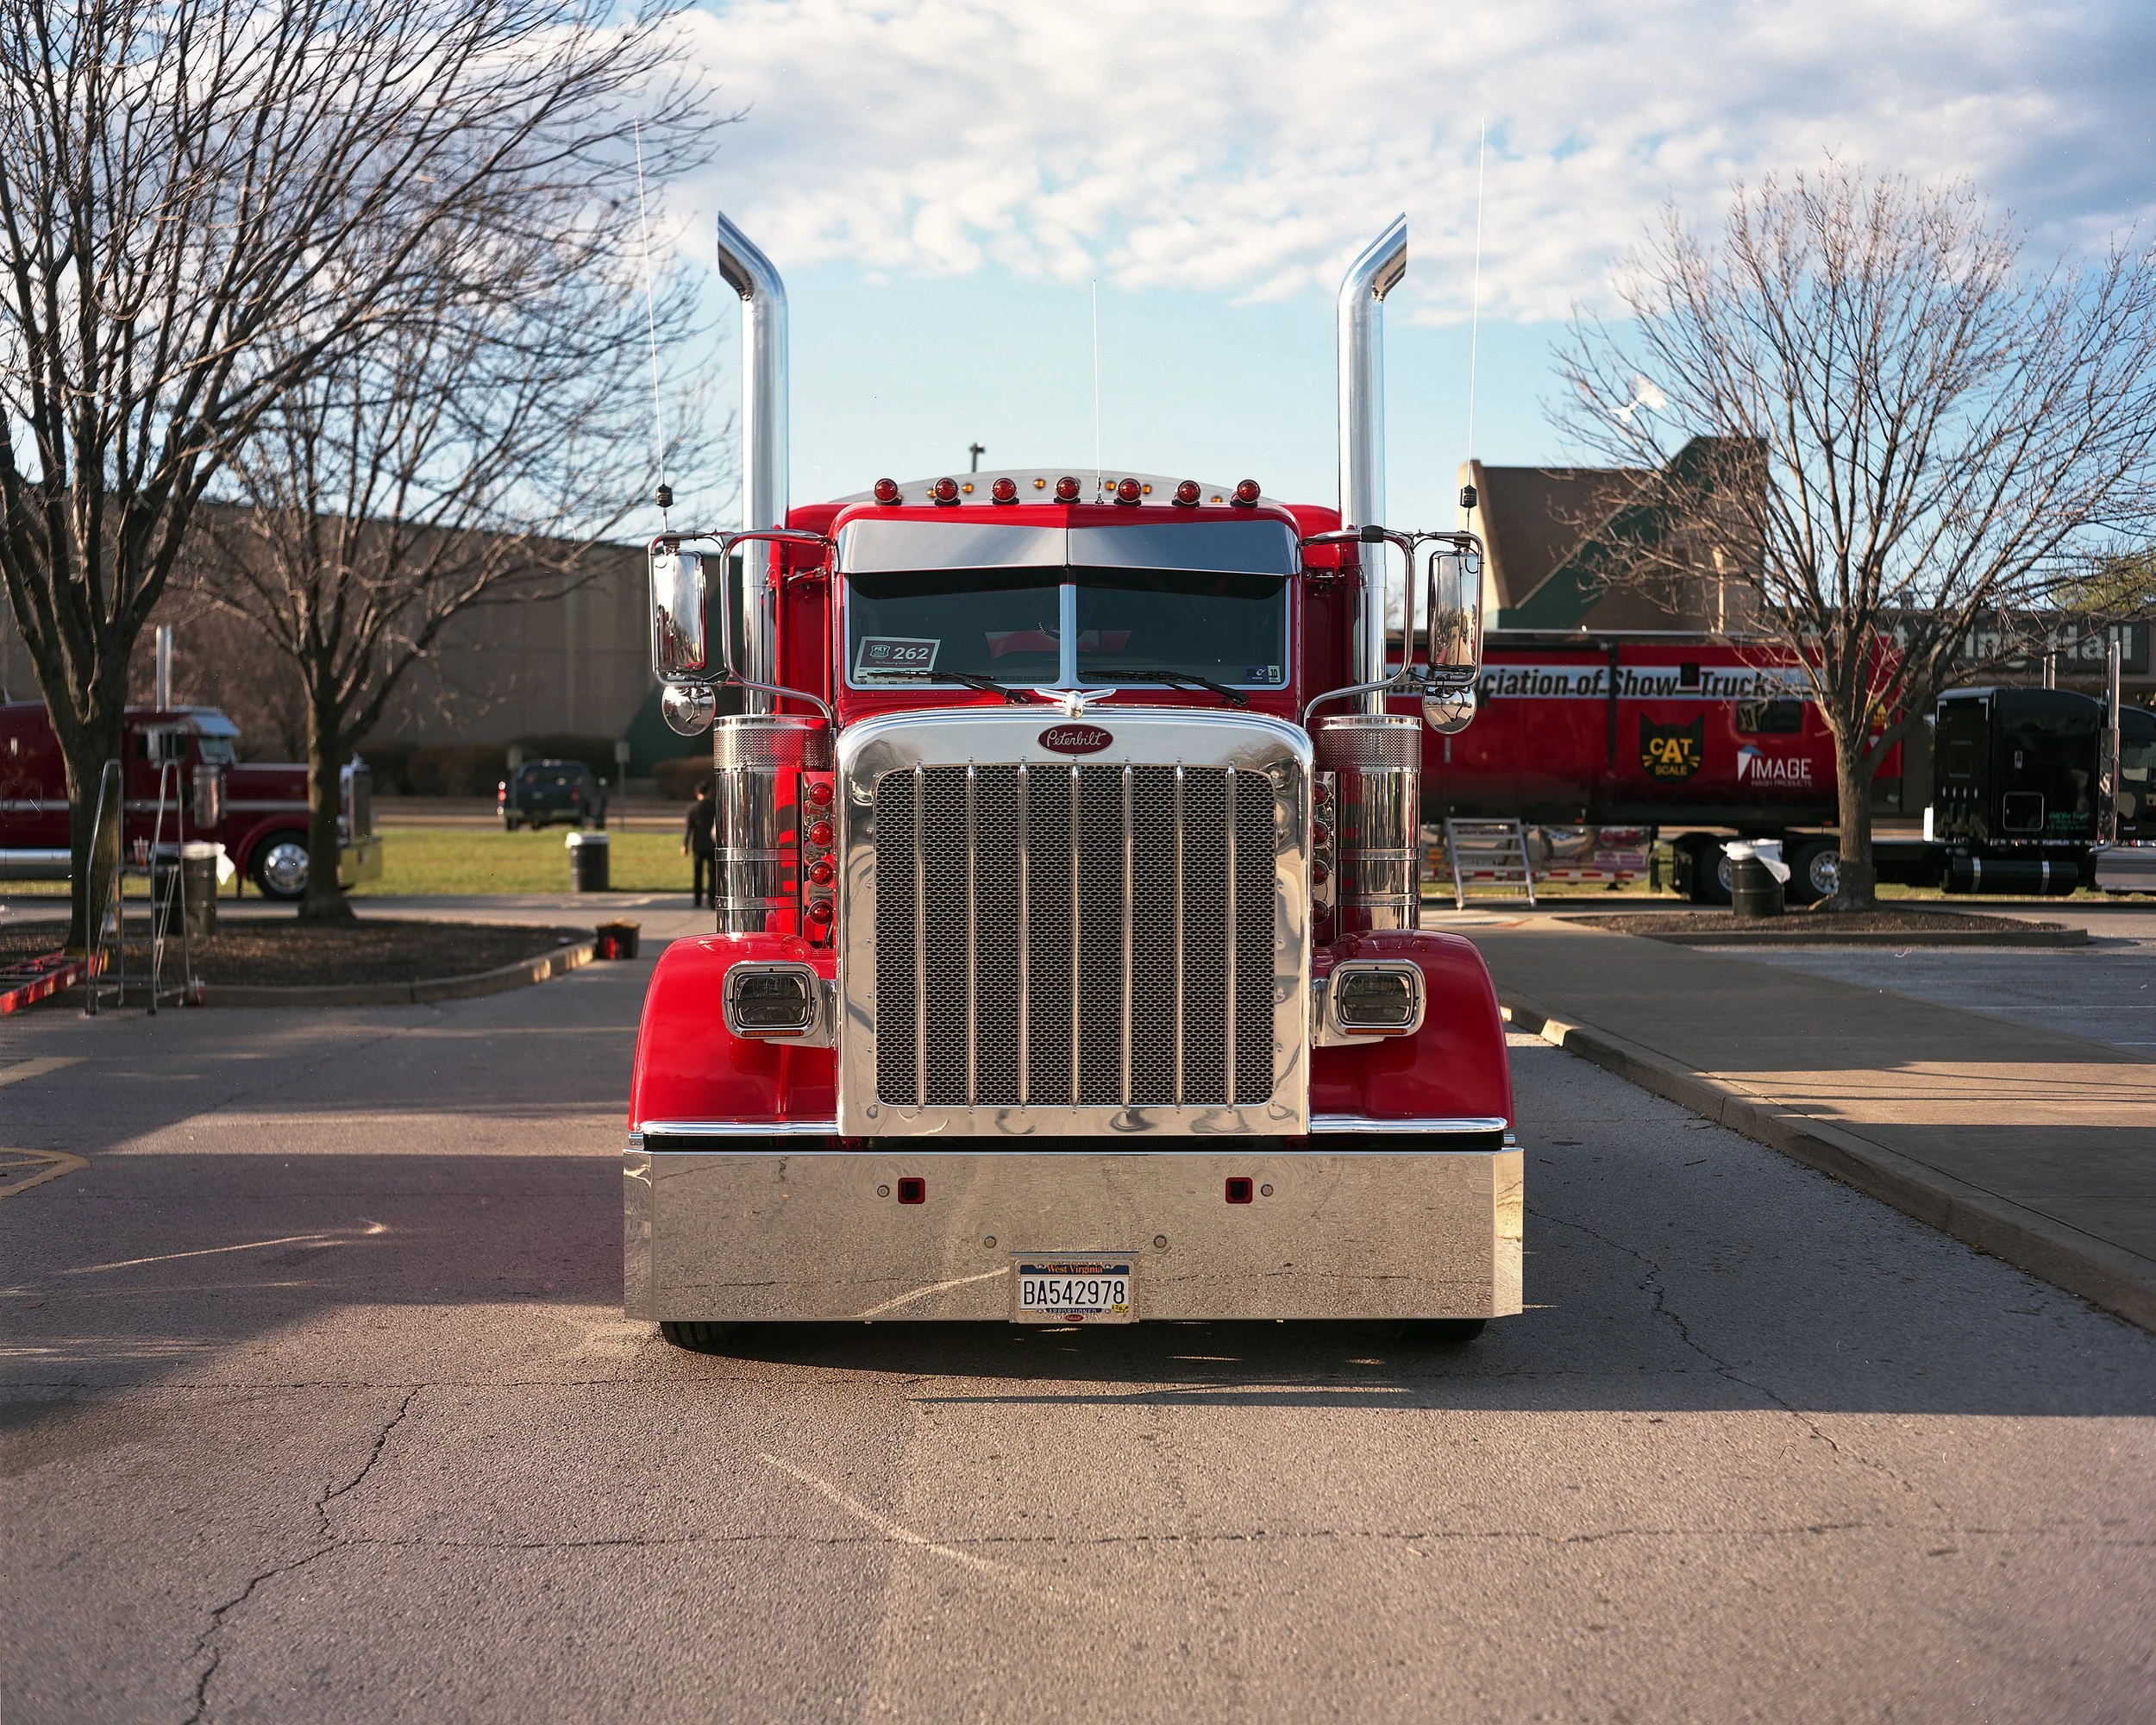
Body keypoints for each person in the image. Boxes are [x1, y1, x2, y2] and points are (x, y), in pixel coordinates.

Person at [684, 781, 717, 909]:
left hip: (697, 844)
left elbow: (688, 828)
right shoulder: (714, 806)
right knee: (712, 873)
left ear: (697, 793)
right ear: (709, 792)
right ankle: (711, 899)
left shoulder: (692, 808)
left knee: (698, 873)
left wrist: (685, 844)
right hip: (712, 844)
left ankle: (697, 900)